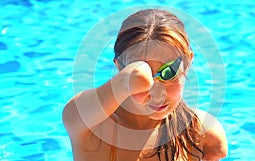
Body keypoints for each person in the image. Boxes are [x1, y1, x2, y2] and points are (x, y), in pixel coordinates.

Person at [63, 9, 228, 161]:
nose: (157, 94)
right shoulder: (92, 128)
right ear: (120, 67)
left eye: (168, 72)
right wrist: (126, 81)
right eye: (138, 78)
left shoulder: (201, 134)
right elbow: (74, 112)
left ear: (188, 61)